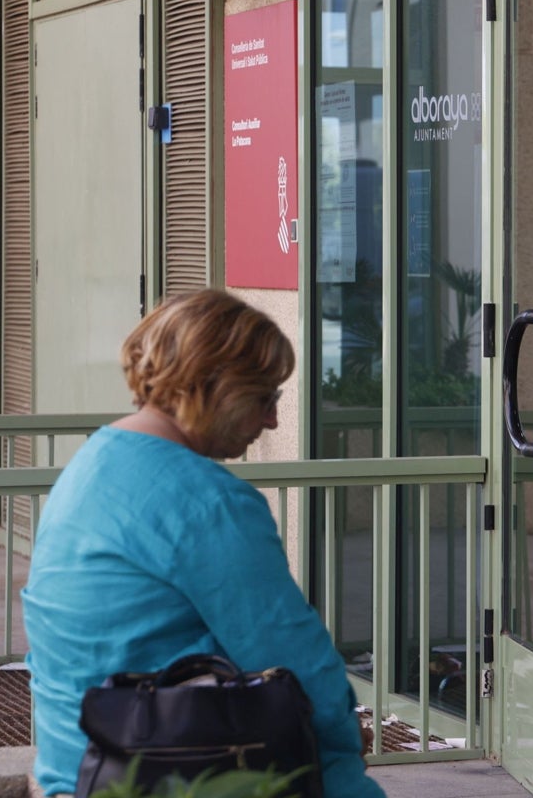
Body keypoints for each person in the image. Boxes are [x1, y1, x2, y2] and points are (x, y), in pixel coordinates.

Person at [22, 289, 385, 798]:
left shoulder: (90, 466)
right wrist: (347, 740)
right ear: (215, 386)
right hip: (172, 774)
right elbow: (294, 660)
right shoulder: (206, 499)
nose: (272, 421)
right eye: (266, 398)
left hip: (80, 766)